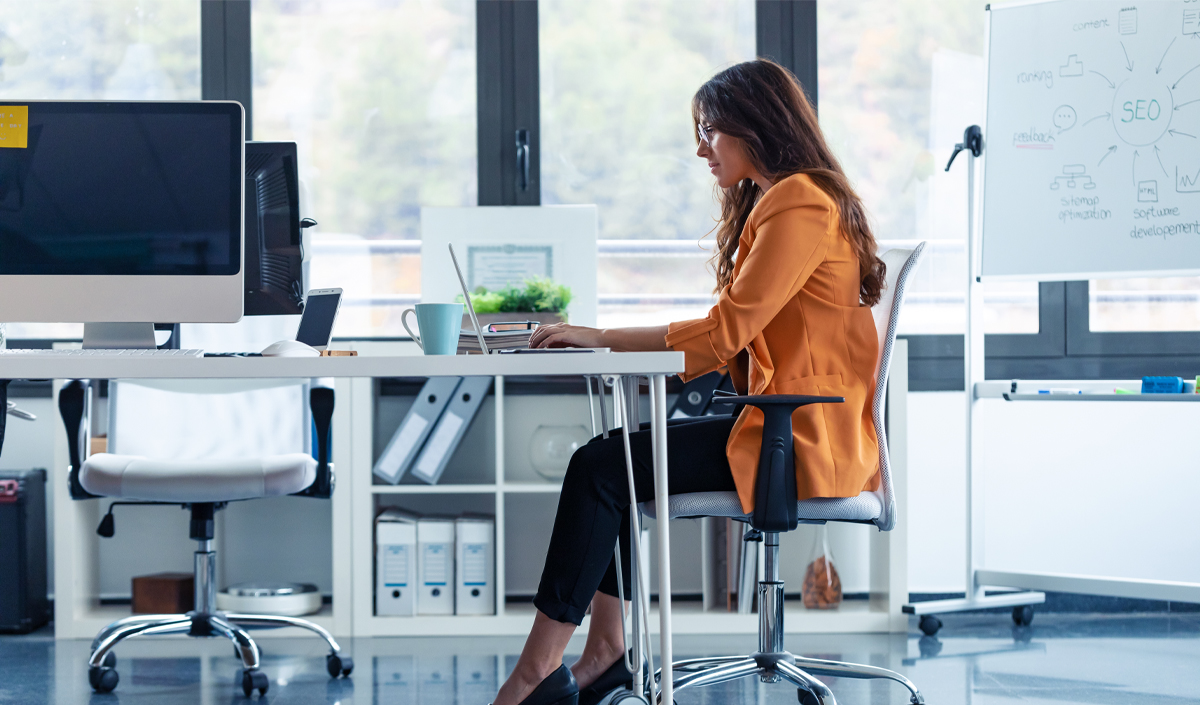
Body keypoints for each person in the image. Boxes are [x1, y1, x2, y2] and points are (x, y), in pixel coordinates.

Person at [491, 58, 887, 705]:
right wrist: (614, 338)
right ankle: (604, 654)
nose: (700, 147)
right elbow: (737, 333)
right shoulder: (788, 199)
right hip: (787, 422)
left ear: (755, 126)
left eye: (710, 130)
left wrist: (600, 335)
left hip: (802, 436)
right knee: (612, 462)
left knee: (602, 466)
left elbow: (725, 332)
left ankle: (540, 672)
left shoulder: (800, 203)